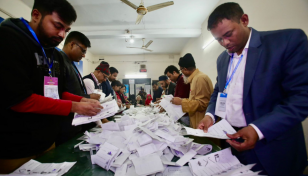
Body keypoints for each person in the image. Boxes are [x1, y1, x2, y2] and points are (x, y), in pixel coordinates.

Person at [197, 3, 308, 176]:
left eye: (228, 34)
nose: (224, 43)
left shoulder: (286, 42)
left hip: (272, 146)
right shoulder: (222, 59)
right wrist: (210, 115)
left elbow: (302, 97)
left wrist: (258, 129)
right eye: (218, 39)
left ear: (244, 20)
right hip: (232, 142)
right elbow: (219, 91)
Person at [0, 0, 103, 173]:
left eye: (66, 30)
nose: (62, 35)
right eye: (57, 26)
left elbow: (59, 92)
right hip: (16, 147)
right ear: (36, 15)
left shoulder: (53, 52)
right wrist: (74, 106)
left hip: (48, 142)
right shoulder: (9, 39)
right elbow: (20, 100)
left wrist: (82, 100)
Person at [57, 31, 102, 145]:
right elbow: (60, 93)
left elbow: (75, 91)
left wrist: (85, 99)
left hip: (75, 120)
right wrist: (85, 99)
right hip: (65, 121)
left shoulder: (71, 63)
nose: (84, 55)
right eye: (82, 50)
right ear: (71, 44)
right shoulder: (60, 60)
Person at [171, 53, 213, 129]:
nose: (182, 73)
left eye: (181, 70)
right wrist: (181, 100)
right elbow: (194, 100)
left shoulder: (200, 78)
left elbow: (203, 103)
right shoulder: (194, 79)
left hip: (202, 121)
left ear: (185, 69)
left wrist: (181, 102)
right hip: (196, 119)